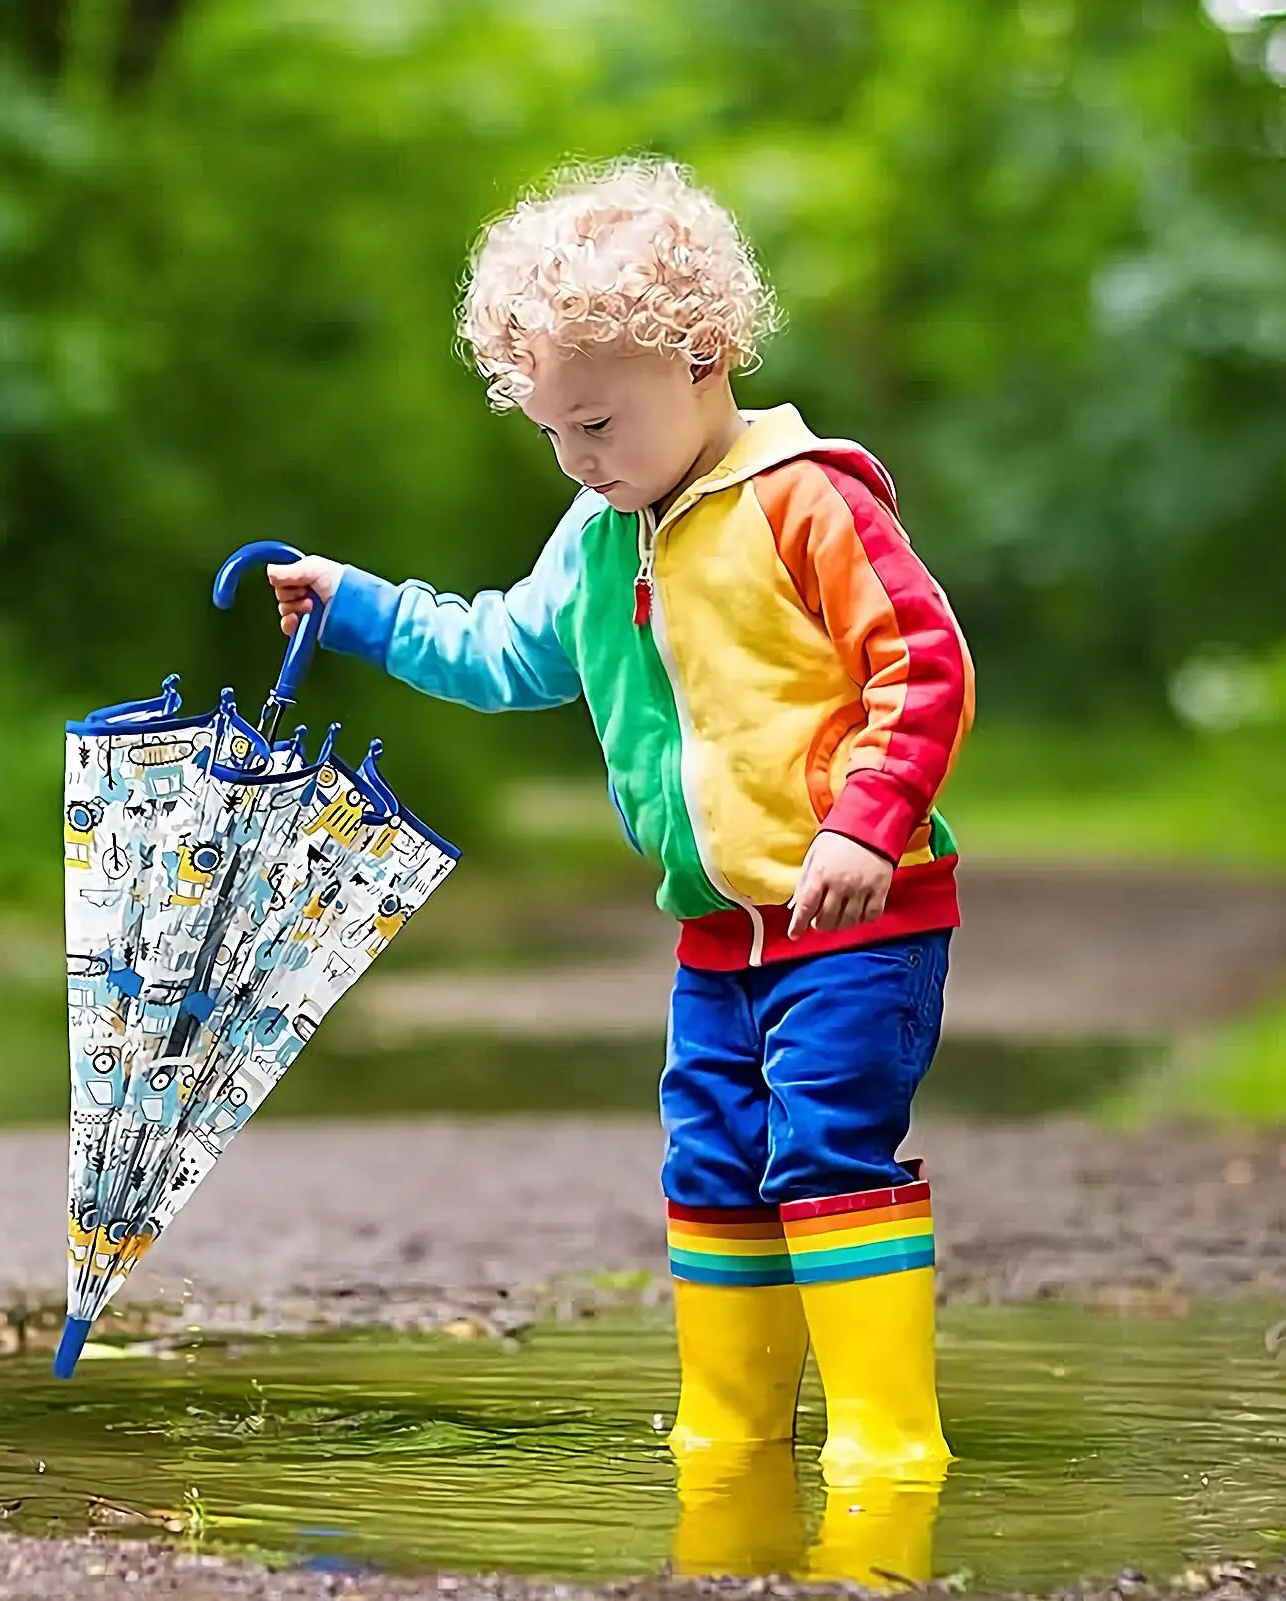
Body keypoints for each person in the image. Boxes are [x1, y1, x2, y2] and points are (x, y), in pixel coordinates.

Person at [267, 156, 975, 1549]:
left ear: (700, 354)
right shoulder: (600, 534)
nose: (581, 459)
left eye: (598, 421)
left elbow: (923, 667)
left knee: (828, 1153)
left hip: (856, 916)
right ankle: (729, 1435)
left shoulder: (805, 503)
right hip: (718, 935)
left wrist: (862, 827)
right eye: (553, 434)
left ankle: (891, 1447)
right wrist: (355, 609)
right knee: (712, 1161)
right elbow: (497, 651)